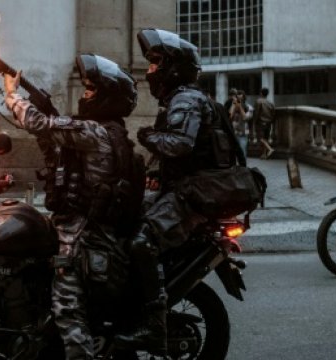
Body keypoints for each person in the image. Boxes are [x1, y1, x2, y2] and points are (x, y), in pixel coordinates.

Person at [3, 53, 141, 360]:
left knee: (68, 314)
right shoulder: (105, 131)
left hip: (81, 236)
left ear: (107, 97)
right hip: (83, 228)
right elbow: (55, 149)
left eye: (91, 90)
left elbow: (38, 122)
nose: (85, 95)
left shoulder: (95, 132)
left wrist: (12, 95)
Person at [115, 28, 244, 354]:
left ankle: (153, 326)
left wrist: (146, 137)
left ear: (174, 67)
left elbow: (180, 144)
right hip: (187, 190)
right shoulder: (183, 99)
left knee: (141, 241)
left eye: (157, 63)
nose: (151, 71)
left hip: (193, 198)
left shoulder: (185, 99)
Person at [254, 87, 276, 159]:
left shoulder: (258, 101)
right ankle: (264, 154)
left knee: (260, 138)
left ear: (261, 93)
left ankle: (270, 149)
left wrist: (254, 122)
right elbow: (273, 114)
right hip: (268, 123)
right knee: (265, 139)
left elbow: (256, 113)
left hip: (261, 122)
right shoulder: (271, 103)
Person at [229, 93, 249, 157]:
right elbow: (229, 116)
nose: (239, 101)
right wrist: (234, 104)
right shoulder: (233, 107)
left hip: (243, 134)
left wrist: (240, 106)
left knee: (242, 152)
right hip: (233, 133)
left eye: (241, 100)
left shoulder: (248, 108)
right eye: (238, 99)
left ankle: (242, 166)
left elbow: (244, 117)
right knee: (233, 153)